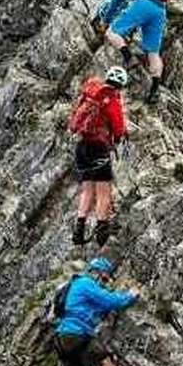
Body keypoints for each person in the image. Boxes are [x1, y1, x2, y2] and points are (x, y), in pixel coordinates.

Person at [52, 256, 138, 366]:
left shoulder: (75, 286)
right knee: (109, 359)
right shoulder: (86, 283)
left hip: (62, 337)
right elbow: (111, 302)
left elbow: (98, 308)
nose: (105, 281)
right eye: (105, 277)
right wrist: (130, 295)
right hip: (77, 334)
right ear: (98, 272)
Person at [96, 0, 173, 104]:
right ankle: (154, 90)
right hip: (161, 10)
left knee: (112, 33)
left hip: (144, 3)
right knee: (153, 53)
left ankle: (129, 58)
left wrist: (106, 20)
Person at [68, 66, 130, 246]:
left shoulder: (91, 92)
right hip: (98, 148)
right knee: (104, 191)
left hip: (82, 146)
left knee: (87, 189)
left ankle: (78, 232)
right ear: (121, 85)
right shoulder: (112, 100)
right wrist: (120, 137)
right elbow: (118, 129)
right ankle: (102, 235)